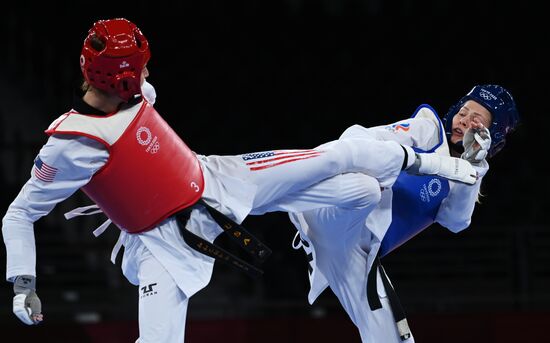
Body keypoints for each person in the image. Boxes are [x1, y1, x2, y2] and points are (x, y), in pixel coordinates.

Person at [1, 18, 478, 342]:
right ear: (121, 78)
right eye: (141, 65)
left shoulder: (136, 92)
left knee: (355, 178)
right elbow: (19, 213)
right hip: (159, 242)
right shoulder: (70, 145)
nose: (149, 72)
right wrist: (23, 282)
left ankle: (444, 169)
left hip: (219, 179)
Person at [288, 84, 520, 342]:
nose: (464, 121)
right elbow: (357, 137)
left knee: (395, 339)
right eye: (463, 112)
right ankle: (252, 184)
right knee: (366, 190)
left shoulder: (461, 181)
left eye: (476, 120)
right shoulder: (428, 131)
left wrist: (474, 166)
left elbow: (457, 221)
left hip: (356, 252)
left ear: (491, 135)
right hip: (337, 207)